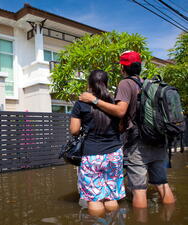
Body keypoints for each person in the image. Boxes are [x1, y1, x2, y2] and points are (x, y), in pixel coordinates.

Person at [79, 51, 175, 208]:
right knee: (162, 183)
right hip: (158, 139)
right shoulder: (147, 84)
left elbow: (120, 111)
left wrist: (94, 100)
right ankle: (170, 217)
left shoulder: (126, 83)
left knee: (139, 189)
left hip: (139, 142)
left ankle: (140, 219)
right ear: (139, 67)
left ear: (123, 68)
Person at [70, 70, 125, 216]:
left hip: (92, 155)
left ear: (89, 84)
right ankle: (114, 220)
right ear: (106, 83)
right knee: (111, 197)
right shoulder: (114, 103)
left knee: (94, 198)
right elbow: (121, 127)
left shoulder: (81, 104)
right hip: (114, 154)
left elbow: (74, 130)